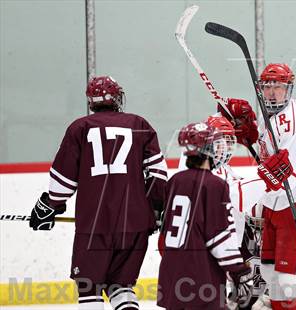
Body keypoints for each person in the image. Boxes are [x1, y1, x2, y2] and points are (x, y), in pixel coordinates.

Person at [29, 76, 167, 310]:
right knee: (121, 288)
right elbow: (157, 176)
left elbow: (63, 182)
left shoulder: (79, 128)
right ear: (117, 97)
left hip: (94, 225)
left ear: (91, 102)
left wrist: (48, 207)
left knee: (89, 290)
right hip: (134, 225)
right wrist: (155, 210)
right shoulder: (139, 124)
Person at [220, 64, 296, 310]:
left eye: (278, 87)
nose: (272, 93)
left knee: (291, 282)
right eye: (267, 87)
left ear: (289, 89)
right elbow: (270, 159)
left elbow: (289, 175)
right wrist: (249, 136)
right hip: (277, 203)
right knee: (270, 274)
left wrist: (254, 188)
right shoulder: (271, 117)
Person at [158, 121, 253, 310]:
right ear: (208, 149)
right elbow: (219, 237)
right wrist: (238, 271)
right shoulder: (215, 185)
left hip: (171, 273)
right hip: (200, 276)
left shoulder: (175, 181)